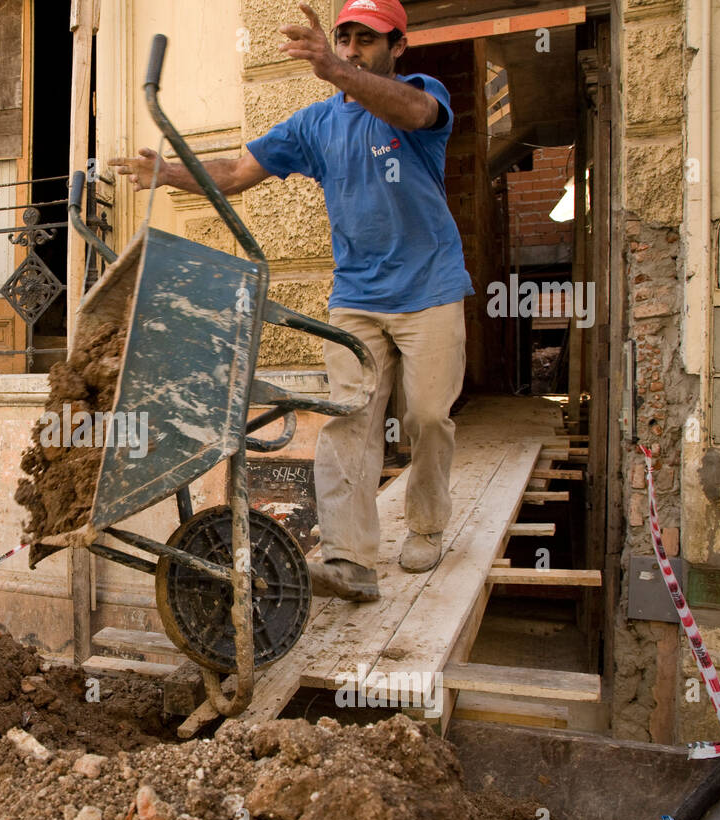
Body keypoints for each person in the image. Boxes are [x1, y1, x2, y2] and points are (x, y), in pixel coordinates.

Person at [109, 0, 472, 602]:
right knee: (348, 423)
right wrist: (172, 172)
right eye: (345, 37)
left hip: (429, 287)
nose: (352, 48)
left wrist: (334, 69)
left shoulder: (418, 95)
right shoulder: (314, 125)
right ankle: (351, 559)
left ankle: (428, 525)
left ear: (397, 47)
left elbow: (414, 112)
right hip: (356, 295)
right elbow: (235, 169)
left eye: (366, 39)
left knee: (428, 416)